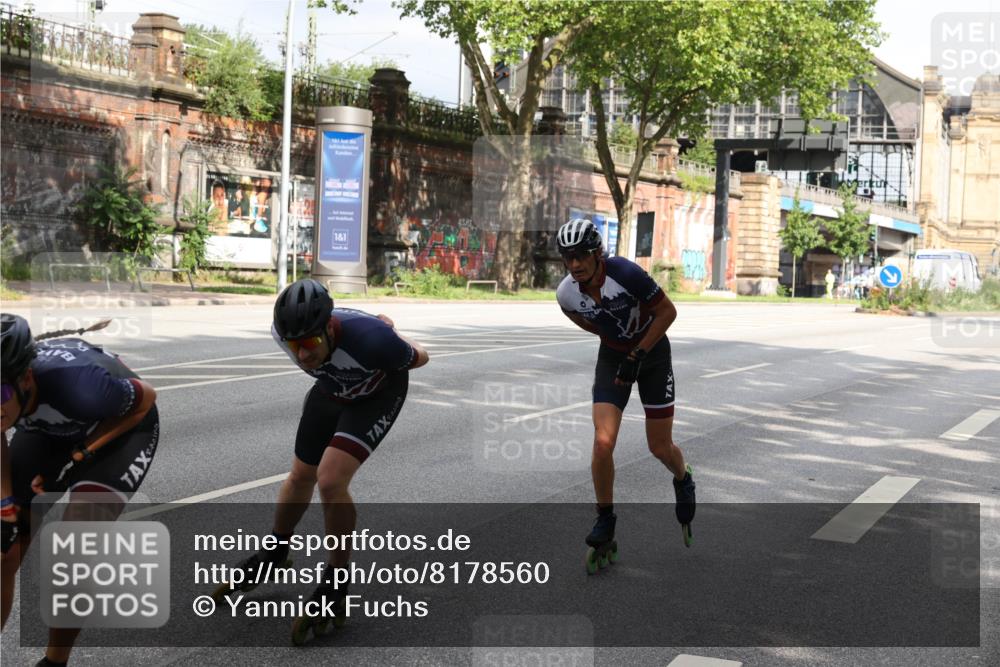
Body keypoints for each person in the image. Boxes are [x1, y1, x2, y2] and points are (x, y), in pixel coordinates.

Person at [219, 279, 428, 634]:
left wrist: (394, 336)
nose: (302, 354)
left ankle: (336, 579)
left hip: (377, 393)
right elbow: (307, 355)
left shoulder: (373, 340)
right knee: (300, 476)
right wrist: (310, 349)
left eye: (310, 343)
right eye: (294, 345)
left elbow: (421, 357)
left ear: (330, 328)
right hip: (332, 389)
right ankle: (276, 551)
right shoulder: (283, 335)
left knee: (330, 480)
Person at [0, 314, 159, 666]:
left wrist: (82, 454)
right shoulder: (11, 396)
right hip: (49, 427)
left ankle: (55, 662)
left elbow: (147, 399)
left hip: (120, 427)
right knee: (4, 550)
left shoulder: (82, 388)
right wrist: (6, 503)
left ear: (25, 377)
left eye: (1, 392)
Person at [554, 219, 695, 555]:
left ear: (597, 254)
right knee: (603, 442)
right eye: (568, 257)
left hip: (653, 354)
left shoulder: (625, 273)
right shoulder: (565, 295)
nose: (575, 264)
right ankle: (605, 518)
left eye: (582, 256)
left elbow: (667, 312)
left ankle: (683, 476)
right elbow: (592, 325)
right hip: (614, 358)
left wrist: (638, 352)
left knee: (659, 447)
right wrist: (620, 349)